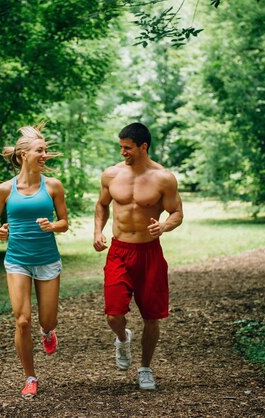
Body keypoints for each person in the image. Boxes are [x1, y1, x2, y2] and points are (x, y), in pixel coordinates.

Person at [93, 122, 183, 391]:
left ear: (143, 147)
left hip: (149, 253)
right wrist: (97, 232)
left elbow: (177, 212)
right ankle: (122, 338)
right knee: (113, 314)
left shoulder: (163, 178)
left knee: (151, 317)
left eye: (128, 148)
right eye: (121, 147)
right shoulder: (111, 175)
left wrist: (164, 225)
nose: (123, 153)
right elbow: (101, 205)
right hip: (119, 251)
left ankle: (145, 368)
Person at [0, 123, 68, 400]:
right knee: (22, 321)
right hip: (17, 260)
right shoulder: (4, 189)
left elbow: (65, 222)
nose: (45, 154)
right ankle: (30, 377)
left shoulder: (54, 187)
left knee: (47, 320)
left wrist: (52, 226)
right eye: (39, 150)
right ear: (23, 155)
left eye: (45, 150)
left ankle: (48, 333)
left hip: (47, 260)